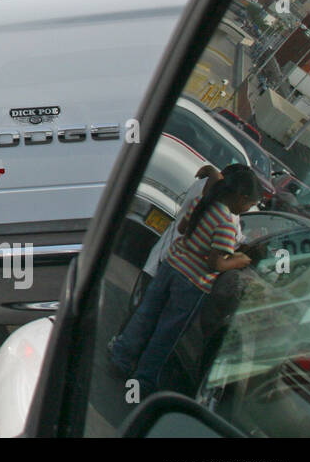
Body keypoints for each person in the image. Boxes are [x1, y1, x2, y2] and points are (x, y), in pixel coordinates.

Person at [108, 164, 261, 394]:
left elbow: (182, 227)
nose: (248, 208)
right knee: (166, 333)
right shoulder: (228, 224)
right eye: (249, 204)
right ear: (241, 197)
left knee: (146, 314)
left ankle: (120, 357)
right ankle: (143, 379)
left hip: (172, 265)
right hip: (192, 282)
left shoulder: (206, 203)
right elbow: (216, 263)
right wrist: (239, 261)